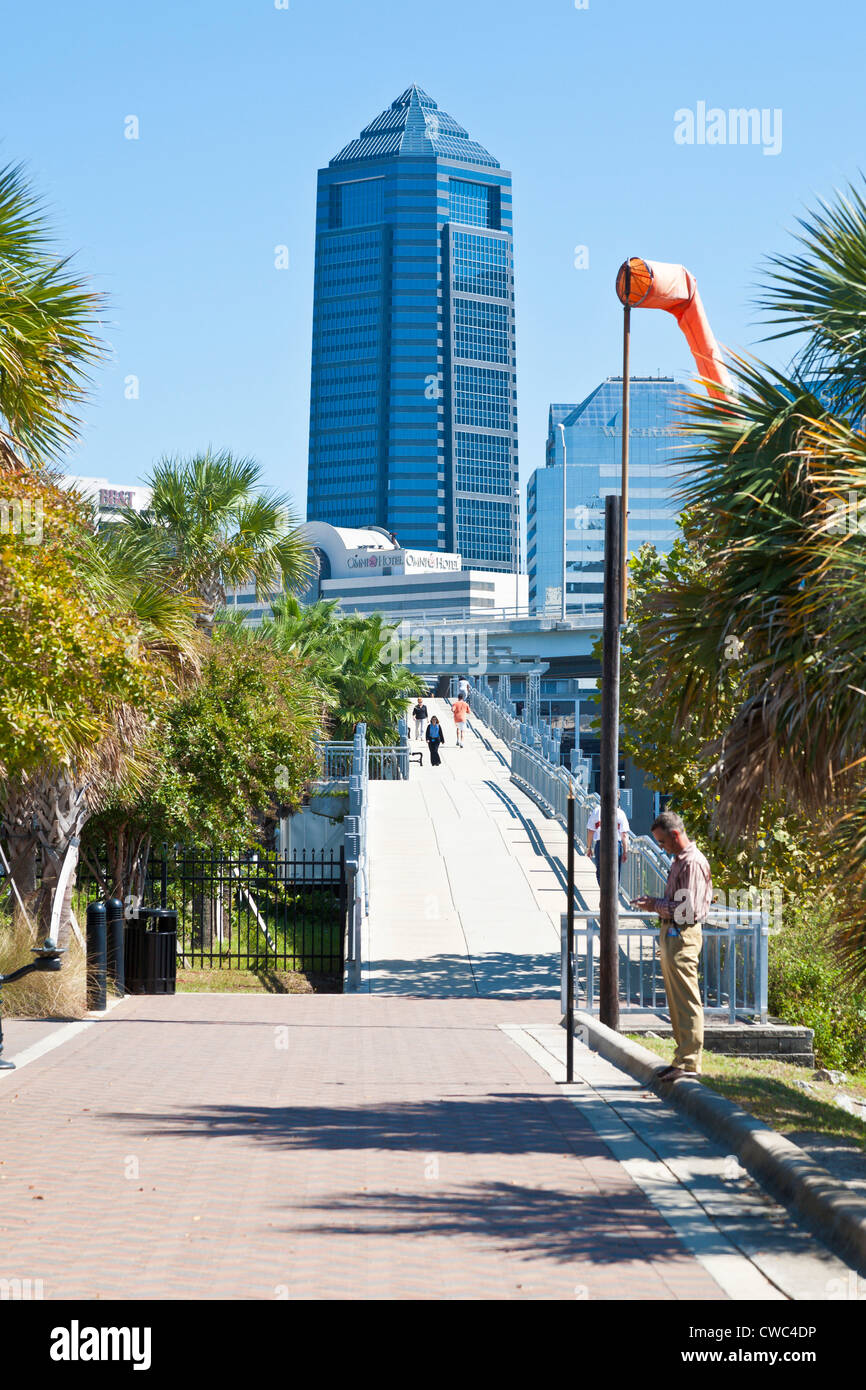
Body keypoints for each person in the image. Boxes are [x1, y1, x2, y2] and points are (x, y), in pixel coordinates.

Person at [632, 811, 712, 1080]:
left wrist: (655, 905)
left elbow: (688, 910)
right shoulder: (680, 861)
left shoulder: (693, 863)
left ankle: (690, 1061)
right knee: (675, 999)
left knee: (686, 999)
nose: (662, 849)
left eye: (663, 842)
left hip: (684, 933)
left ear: (675, 835)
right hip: (672, 933)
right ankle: (681, 1058)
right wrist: (655, 902)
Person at [586, 793, 629, 884]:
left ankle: (603, 892)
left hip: (601, 844)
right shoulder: (620, 813)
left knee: (600, 870)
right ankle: (613, 893)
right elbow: (624, 835)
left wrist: (589, 847)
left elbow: (590, 831)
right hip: (616, 845)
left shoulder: (597, 811)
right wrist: (625, 851)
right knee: (615, 872)